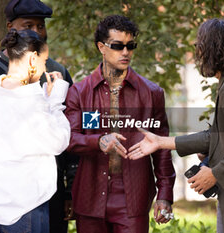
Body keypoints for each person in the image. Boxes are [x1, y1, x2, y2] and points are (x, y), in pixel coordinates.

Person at [128, 19, 224, 233]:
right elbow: (217, 135)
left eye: (200, 47)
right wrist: (161, 142)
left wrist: (215, 173)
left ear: (213, 50)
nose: (198, 54)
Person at [64, 15, 175, 233]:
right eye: (117, 46)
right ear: (101, 47)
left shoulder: (152, 93)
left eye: (130, 46)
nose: (125, 52)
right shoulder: (79, 92)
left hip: (133, 197)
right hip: (90, 195)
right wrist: (98, 141)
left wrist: (165, 194)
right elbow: (67, 139)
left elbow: (162, 150)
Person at [0, 0, 77, 231]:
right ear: (10, 26)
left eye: (41, 26)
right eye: (28, 25)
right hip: (1, 192)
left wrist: (70, 188)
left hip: (50, 188)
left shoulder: (58, 72)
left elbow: (70, 135)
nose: (37, 31)